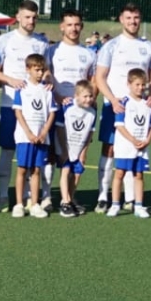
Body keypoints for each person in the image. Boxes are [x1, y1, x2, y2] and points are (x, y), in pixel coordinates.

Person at [91, 4, 151, 211]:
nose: (132, 21)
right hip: (115, 107)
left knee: (136, 147)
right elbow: (100, 77)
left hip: (139, 109)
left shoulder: (149, 47)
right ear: (121, 19)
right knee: (110, 148)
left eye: (136, 17)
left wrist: (150, 96)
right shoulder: (111, 46)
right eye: (128, 17)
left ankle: (130, 198)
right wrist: (113, 100)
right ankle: (103, 195)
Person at [0, 0, 51, 206]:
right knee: (8, 149)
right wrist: (11, 80)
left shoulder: (42, 42)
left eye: (34, 17)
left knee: (33, 151)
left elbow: (47, 70)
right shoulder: (4, 40)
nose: (31, 21)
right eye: (27, 17)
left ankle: (28, 196)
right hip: (11, 104)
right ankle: (3, 196)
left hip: (36, 109)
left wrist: (48, 81)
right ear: (17, 17)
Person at [8, 53, 56, 218]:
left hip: (41, 138)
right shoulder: (22, 89)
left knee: (36, 170)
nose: (40, 73)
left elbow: (51, 113)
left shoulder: (47, 90)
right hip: (24, 137)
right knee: (22, 169)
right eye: (37, 70)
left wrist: (44, 132)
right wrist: (28, 133)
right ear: (28, 69)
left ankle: (35, 204)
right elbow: (18, 112)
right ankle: (19, 204)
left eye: (42, 70)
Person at [109, 68, 151, 217]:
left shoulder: (148, 104)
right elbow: (119, 125)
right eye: (137, 84)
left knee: (139, 175)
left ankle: (139, 206)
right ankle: (115, 205)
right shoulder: (124, 103)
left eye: (143, 85)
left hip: (141, 147)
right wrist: (132, 140)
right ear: (128, 84)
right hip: (125, 147)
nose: (140, 88)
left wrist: (147, 140)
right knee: (119, 174)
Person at [54, 81, 98, 218]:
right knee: (65, 171)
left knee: (77, 173)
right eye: (85, 96)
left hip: (80, 146)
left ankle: (71, 198)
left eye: (91, 96)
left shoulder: (92, 111)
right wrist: (63, 149)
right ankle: (65, 202)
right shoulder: (67, 107)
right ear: (76, 96)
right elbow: (60, 128)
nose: (88, 99)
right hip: (65, 145)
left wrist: (84, 151)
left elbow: (90, 132)